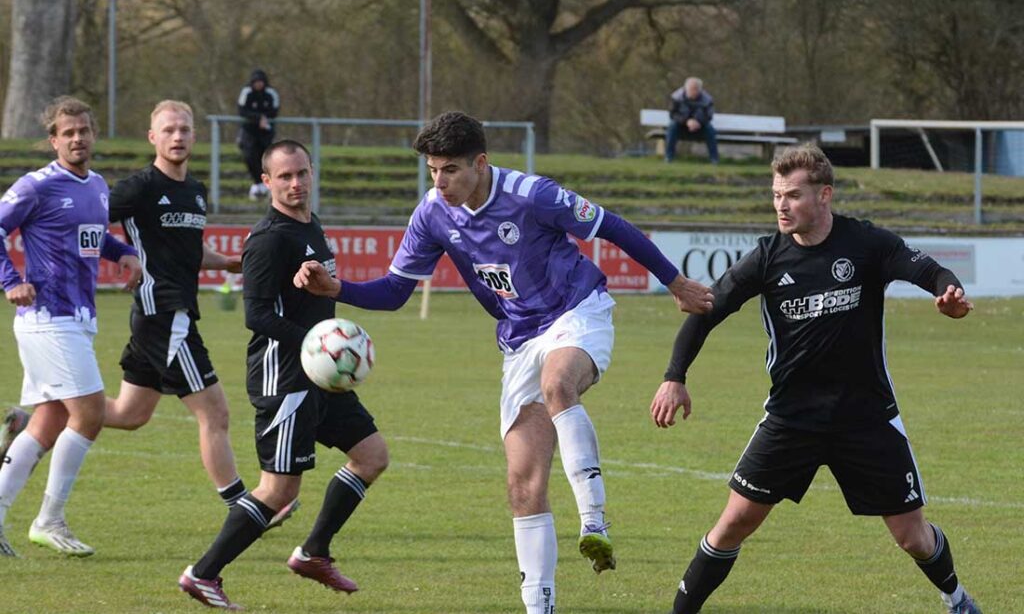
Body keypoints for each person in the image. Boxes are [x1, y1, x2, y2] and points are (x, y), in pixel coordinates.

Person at [293, 111, 714, 614]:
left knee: (559, 384)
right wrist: (338, 289)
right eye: (432, 170)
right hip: (518, 338)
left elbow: (612, 226)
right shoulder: (432, 214)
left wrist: (675, 282)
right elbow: (395, 291)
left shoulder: (532, 195)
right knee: (522, 484)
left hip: (576, 310)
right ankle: (540, 608)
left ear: (481, 163)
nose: (439, 181)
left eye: (450, 169)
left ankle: (594, 520)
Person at [649, 144, 982, 614]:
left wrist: (948, 293)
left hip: (866, 418)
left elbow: (928, 269)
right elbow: (705, 312)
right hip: (791, 419)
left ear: (824, 195)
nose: (782, 205)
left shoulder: (865, 243)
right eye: (776, 195)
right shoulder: (766, 258)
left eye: (794, 195)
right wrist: (673, 376)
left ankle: (958, 599)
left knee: (912, 538)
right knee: (732, 523)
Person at [178, 140, 389, 610]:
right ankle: (202, 574)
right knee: (277, 490)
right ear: (267, 181)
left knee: (372, 455)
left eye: (301, 173)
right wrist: (316, 345)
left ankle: (314, 553)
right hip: (286, 379)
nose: (295, 184)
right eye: (284, 176)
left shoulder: (311, 226)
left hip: (321, 377)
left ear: (312, 173)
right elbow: (256, 315)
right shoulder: (269, 238)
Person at [97, 100, 268, 515]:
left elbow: (189, 249)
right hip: (163, 314)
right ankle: (243, 507)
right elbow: (87, 221)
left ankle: (35, 423)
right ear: (153, 137)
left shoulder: (195, 191)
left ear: (195, 136)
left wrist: (225, 261)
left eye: (185, 130)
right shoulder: (139, 187)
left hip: (164, 317)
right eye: (169, 130)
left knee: (128, 413)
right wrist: (120, 255)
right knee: (216, 412)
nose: (177, 137)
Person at [0, 96, 141, 557]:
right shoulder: (36, 185)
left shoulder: (98, 186)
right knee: (90, 413)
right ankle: (49, 518)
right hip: (47, 318)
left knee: (48, 422)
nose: (77, 138)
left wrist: (122, 253)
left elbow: (92, 236)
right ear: (53, 139)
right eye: (68, 133)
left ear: (93, 134)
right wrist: (10, 281)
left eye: (84, 130)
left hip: (78, 319)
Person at [237, 69, 280, 201]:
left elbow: (274, 110)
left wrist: (264, 118)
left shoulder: (271, 93)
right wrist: (257, 118)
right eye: (256, 82)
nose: (258, 85)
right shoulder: (247, 92)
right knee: (249, 156)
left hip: (266, 132)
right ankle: (258, 184)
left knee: (266, 158)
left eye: (260, 82)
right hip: (249, 131)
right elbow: (242, 110)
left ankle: (266, 186)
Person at [665, 77, 719, 164]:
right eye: (691, 89)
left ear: (700, 90)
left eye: (696, 89)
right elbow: (673, 114)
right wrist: (687, 121)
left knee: (710, 130)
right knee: (672, 127)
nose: (693, 92)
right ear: (686, 88)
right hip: (681, 125)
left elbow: (709, 115)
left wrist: (698, 122)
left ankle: (714, 159)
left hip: (700, 126)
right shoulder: (676, 98)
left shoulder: (707, 100)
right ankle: (669, 157)